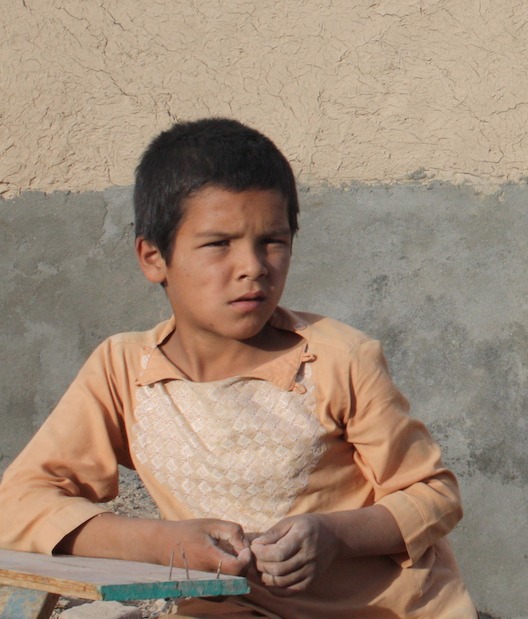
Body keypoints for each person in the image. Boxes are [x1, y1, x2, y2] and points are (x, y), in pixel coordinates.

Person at [0, 118, 477, 618]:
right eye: (218, 244)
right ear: (153, 257)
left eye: (273, 240)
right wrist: (163, 544)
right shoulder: (124, 370)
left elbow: (434, 494)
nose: (253, 266)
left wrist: (334, 536)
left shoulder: (338, 360)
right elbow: (20, 504)